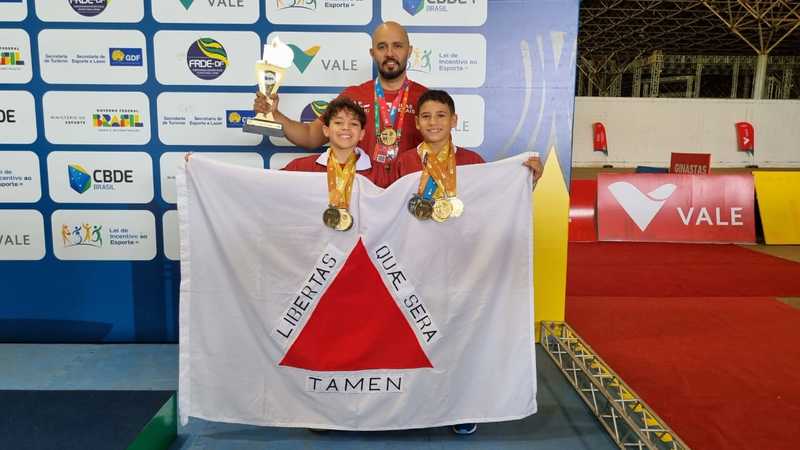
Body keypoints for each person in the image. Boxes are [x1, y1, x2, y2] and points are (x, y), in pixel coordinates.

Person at [254, 21, 427, 185]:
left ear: (409, 50)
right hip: (357, 192)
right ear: (372, 53)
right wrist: (275, 114)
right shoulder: (353, 96)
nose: (389, 53)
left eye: (397, 45)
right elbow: (310, 136)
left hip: (410, 193)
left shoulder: (426, 99)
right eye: (382, 47)